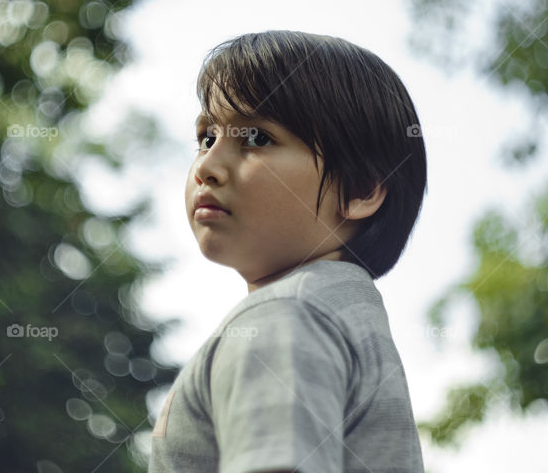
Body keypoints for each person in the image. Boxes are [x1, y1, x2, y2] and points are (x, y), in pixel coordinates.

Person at [148, 30, 428, 473]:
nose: (206, 167)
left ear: (360, 189)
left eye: (256, 138)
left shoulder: (284, 315)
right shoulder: (346, 320)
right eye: (206, 138)